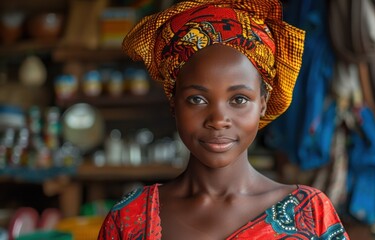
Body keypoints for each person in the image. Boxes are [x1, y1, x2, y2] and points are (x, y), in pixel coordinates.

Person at [98, 0, 349, 239]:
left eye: (239, 99)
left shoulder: (311, 214)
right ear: (174, 102)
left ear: (262, 103)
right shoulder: (128, 217)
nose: (218, 120)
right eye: (197, 99)